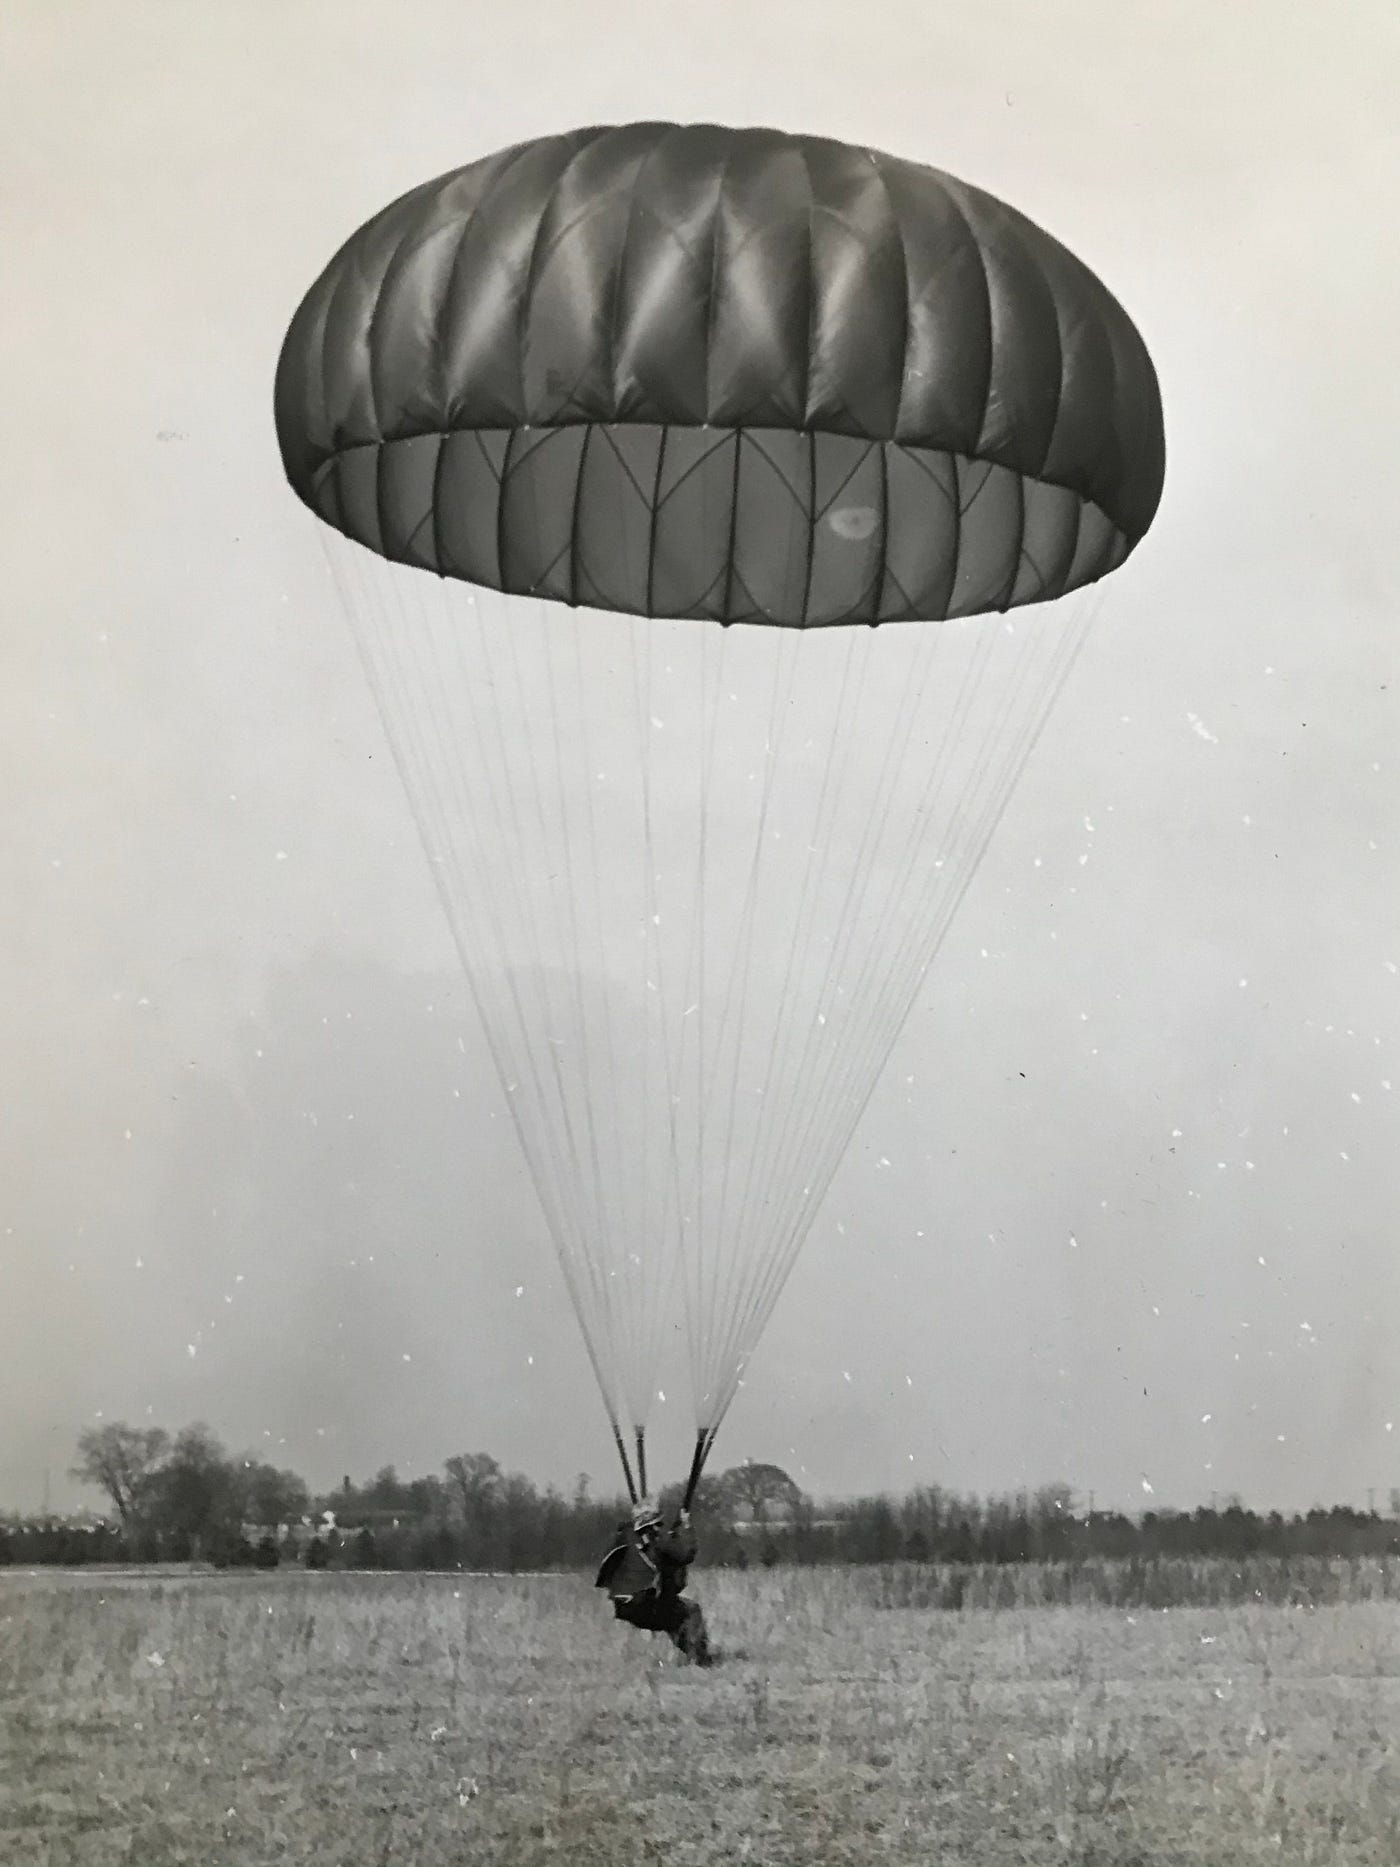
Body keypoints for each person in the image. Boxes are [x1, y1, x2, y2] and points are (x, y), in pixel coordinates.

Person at [595, 1498, 712, 1666]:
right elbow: (685, 1553)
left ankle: (689, 1658)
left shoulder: (623, 1536)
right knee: (691, 1610)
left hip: (623, 1606)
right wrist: (685, 1527)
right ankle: (700, 1661)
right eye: (657, 1522)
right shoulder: (652, 1537)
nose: (659, 1526)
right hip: (645, 1603)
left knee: (672, 1614)